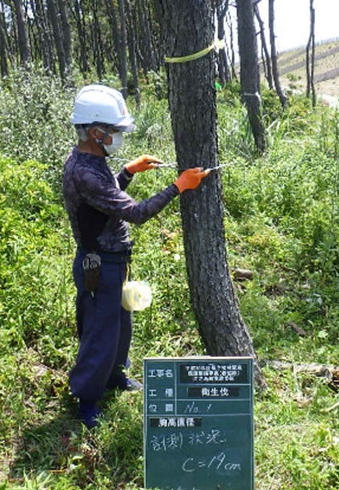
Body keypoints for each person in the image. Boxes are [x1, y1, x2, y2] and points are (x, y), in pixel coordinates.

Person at [62, 84, 209, 428]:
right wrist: (178, 187)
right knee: (100, 331)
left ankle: (115, 377)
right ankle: (86, 401)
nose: (118, 137)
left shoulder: (91, 160)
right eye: (114, 131)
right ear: (96, 132)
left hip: (114, 260)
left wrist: (127, 172)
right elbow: (137, 213)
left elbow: (104, 197)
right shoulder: (84, 170)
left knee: (119, 325)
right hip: (100, 263)